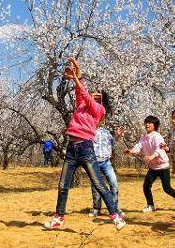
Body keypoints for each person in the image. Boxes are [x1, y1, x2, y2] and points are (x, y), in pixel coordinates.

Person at [44, 58, 126, 231]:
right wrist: (77, 73)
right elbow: (81, 91)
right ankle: (59, 217)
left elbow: (85, 95)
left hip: (86, 149)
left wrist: (76, 78)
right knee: (62, 185)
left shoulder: (99, 110)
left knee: (99, 184)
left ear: (101, 101)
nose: (93, 96)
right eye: (92, 95)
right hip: (72, 149)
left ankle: (115, 216)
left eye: (97, 96)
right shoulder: (82, 105)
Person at [124, 115, 175, 212]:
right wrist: (131, 151)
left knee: (167, 188)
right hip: (153, 167)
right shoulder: (144, 137)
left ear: (155, 125)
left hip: (163, 166)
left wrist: (152, 156)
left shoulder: (157, 136)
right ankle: (151, 205)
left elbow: (159, 148)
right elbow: (139, 146)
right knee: (146, 186)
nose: (147, 124)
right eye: (146, 122)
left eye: (150, 123)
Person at [88, 95, 124, 218]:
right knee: (96, 186)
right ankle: (96, 208)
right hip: (94, 162)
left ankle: (115, 207)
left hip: (106, 162)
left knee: (113, 183)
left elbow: (113, 142)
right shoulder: (89, 131)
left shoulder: (105, 131)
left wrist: (118, 135)